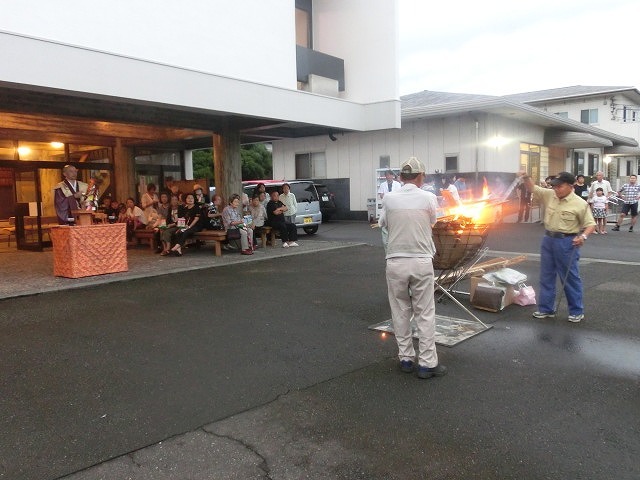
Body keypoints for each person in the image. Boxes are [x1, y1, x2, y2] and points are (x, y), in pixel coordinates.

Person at [378, 157, 445, 379]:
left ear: (401, 177)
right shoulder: (428, 197)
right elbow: (433, 221)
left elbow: (382, 224)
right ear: (419, 176)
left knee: (400, 311)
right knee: (424, 313)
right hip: (421, 260)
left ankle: (406, 359)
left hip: (395, 261)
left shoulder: (388, 198)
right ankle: (427, 364)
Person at [520, 171, 596, 323]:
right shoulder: (550, 195)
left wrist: (583, 236)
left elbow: (590, 224)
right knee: (546, 276)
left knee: (570, 278)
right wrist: (526, 177)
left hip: (567, 241)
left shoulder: (580, 203)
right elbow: (532, 188)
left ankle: (576, 311)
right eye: (554, 186)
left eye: (559, 186)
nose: (556, 189)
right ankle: (546, 309)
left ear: (570, 186)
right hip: (548, 239)